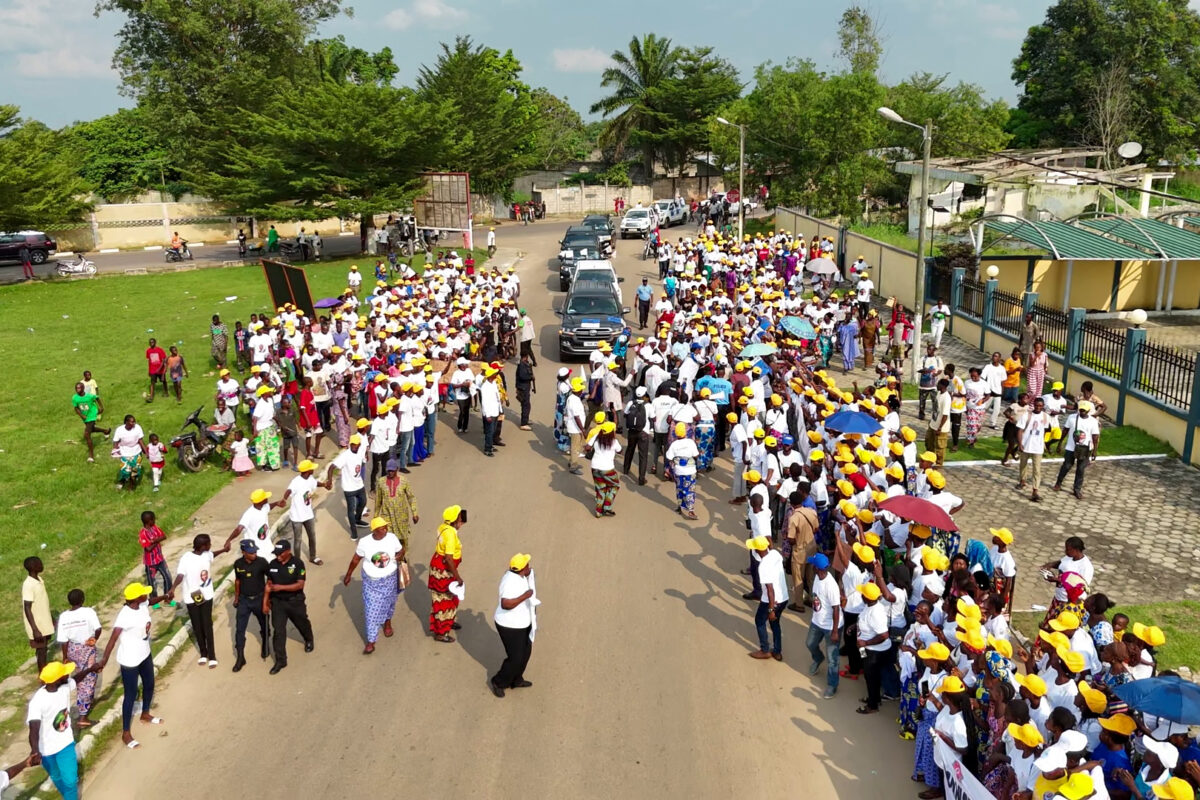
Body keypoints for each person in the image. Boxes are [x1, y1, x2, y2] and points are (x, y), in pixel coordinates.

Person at [96, 582, 169, 749]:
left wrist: (165, 596)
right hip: (130, 660)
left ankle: (145, 714)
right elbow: (113, 639)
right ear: (136, 598)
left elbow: (151, 601)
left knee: (149, 684)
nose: (146, 595)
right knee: (131, 693)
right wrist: (104, 661)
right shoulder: (124, 616)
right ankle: (126, 732)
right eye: (143, 593)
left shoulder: (142, 604)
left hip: (144, 653)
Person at [27, 660, 96, 799]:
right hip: (46, 750)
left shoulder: (63, 687)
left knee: (70, 781)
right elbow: (33, 729)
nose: (68, 674)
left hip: (65, 744)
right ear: (57, 680)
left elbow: (76, 679)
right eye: (64, 674)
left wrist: (90, 669)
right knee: (56, 777)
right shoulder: (38, 701)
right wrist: (35, 750)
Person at [343, 518, 404, 655]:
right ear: (375, 531)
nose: (386, 530)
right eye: (382, 528)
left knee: (389, 603)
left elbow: (401, 550)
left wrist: (400, 556)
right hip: (372, 583)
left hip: (389, 579)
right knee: (371, 611)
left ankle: (387, 622)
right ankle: (371, 641)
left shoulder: (392, 538)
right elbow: (355, 559)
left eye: (386, 527)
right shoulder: (365, 542)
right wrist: (348, 575)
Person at [168, 534, 229, 668]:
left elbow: (213, 554)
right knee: (197, 625)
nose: (210, 546)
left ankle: (212, 656)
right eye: (209, 544)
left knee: (207, 624)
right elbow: (180, 575)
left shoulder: (206, 554)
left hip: (206, 595)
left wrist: (224, 550)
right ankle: (203, 653)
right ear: (203, 546)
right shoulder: (186, 558)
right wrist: (173, 588)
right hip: (192, 596)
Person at [490, 553, 538, 698]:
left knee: (526, 653)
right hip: (509, 626)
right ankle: (499, 682)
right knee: (515, 658)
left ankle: (517, 680)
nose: (529, 566)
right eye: (527, 564)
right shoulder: (509, 581)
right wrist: (526, 595)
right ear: (522, 567)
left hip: (523, 623)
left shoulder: (521, 575)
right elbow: (506, 604)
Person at [265, 540, 314, 674]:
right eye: (276, 554)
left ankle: (308, 639)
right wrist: (266, 601)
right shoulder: (272, 564)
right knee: (278, 631)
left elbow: (300, 585)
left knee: (302, 623)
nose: (278, 556)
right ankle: (281, 660)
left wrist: (281, 587)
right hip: (278, 603)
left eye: (280, 553)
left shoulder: (298, 564)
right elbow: (269, 584)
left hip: (295, 602)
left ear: (288, 552)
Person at [55, 589, 101, 727]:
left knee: (77, 679)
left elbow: (63, 640)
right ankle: (83, 717)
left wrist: (65, 657)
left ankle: (76, 708)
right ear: (82, 600)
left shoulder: (63, 616)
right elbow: (98, 629)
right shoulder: (89, 612)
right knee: (88, 680)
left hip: (72, 650)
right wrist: (94, 639)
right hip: (87, 648)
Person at [230, 540, 270, 672]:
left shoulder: (262, 562)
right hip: (244, 601)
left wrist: (267, 600)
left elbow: (270, 579)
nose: (254, 554)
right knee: (239, 629)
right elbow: (238, 581)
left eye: (255, 551)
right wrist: (236, 598)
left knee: (264, 625)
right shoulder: (238, 564)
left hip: (259, 599)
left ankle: (265, 644)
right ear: (243, 552)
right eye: (251, 552)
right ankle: (240, 657)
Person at [429, 505, 466, 643]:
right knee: (442, 601)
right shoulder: (450, 535)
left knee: (451, 598)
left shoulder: (444, 527)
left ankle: (448, 622)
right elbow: (449, 558)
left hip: (441, 567)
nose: (461, 518)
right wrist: (458, 577)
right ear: (454, 519)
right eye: (459, 517)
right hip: (444, 571)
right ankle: (440, 632)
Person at [747, 535, 788, 661]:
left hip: (771, 600)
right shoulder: (775, 554)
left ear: (758, 550)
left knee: (759, 621)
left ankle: (765, 650)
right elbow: (771, 544)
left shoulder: (763, 566)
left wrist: (771, 610)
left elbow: (770, 591)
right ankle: (777, 651)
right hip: (784, 598)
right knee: (775, 623)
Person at [806, 553, 842, 698]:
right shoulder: (817, 576)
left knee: (832, 658)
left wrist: (834, 631)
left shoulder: (831, 586)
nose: (811, 566)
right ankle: (818, 658)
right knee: (810, 644)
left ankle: (832, 685)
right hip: (817, 621)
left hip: (831, 626)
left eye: (812, 564)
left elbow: (836, 608)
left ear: (817, 568)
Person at [275, 459, 323, 565]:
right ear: (307, 471)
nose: (313, 470)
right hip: (297, 516)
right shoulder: (296, 482)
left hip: (308, 514)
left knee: (312, 536)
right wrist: (284, 499)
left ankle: (313, 556)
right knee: (298, 539)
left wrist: (324, 485)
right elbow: (289, 490)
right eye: (312, 469)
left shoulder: (310, 478)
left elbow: (316, 483)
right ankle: (297, 561)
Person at [324, 433, 368, 540]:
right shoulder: (345, 456)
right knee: (351, 509)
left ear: (359, 445)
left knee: (363, 502)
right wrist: (329, 480)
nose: (354, 446)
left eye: (356, 444)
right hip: (349, 488)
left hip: (359, 484)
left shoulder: (360, 452)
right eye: (352, 444)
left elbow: (361, 463)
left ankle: (358, 520)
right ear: (350, 444)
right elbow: (331, 467)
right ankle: (354, 532)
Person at [1054, 401, 1101, 500]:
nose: (1082, 412)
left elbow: (1095, 437)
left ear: (1088, 410)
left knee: (1080, 469)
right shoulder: (1072, 418)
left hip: (1085, 448)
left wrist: (1094, 451)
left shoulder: (1093, 421)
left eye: (1084, 410)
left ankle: (1077, 489)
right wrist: (1060, 443)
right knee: (1066, 466)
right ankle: (1058, 483)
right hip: (1071, 447)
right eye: (1080, 410)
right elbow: (1065, 431)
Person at [374, 459, 419, 558]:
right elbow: (378, 501)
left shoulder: (404, 481)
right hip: (387, 516)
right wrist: (376, 518)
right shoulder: (381, 482)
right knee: (388, 538)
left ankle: (403, 560)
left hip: (401, 517)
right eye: (388, 471)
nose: (390, 473)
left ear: (397, 469)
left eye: (392, 471)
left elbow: (411, 497)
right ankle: (391, 560)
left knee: (403, 539)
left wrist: (414, 513)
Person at [1016, 395, 1051, 502]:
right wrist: (1020, 443)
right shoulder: (1026, 415)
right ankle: (1022, 480)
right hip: (1026, 445)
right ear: (1033, 405)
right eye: (1036, 405)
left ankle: (1035, 490)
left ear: (1043, 406)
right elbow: (1020, 430)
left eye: (1040, 406)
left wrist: (1044, 443)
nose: (1038, 407)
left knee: (1037, 470)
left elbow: (1046, 430)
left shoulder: (1046, 417)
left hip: (1038, 447)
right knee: (1023, 465)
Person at [22, 556, 53, 671]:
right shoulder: (28, 585)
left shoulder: (39, 580)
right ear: (33, 567)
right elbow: (27, 607)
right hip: (37, 625)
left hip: (44, 622)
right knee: (41, 651)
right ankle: (43, 676)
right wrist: (34, 629)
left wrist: (51, 618)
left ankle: (44, 671)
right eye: (39, 563)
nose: (42, 565)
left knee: (43, 649)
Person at [665, 422, 700, 520]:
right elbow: (696, 455)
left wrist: (674, 464)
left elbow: (669, 457)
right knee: (690, 490)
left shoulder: (674, 444)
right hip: (690, 471)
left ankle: (679, 507)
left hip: (679, 470)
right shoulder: (690, 442)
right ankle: (690, 510)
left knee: (679, 488)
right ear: (685, 432)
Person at [587, 420, 622, 518]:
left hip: (595, 467)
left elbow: (587, 447)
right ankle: (607, 507)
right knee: (615, 486)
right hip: (608, 469)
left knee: (600, 488)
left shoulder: (596, 438)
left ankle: (598, 511)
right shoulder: (614, 442)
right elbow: (620, 451)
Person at [71, 381, 109, 463]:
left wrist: (101, 408)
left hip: (92, 414)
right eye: (76, 388)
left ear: (83, 388)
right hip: (85, 416)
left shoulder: (89, 396)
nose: (77, 389)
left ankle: (91, 455)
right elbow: (76, 408)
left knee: (87, 434)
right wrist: (81, 415)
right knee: (91, 429)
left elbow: (97, 398)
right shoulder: (74, 398)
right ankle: (105, 431)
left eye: (79, 388)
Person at [622, 387, 651, 485]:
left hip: (632, 431)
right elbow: (653, 418)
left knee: (630, 449)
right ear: (644, 395)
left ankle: (626, 470)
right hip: (643, 433)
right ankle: (641, 479)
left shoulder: (630, 403)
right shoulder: (648, 406)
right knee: (643, 456)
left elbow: (625, 415)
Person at [112, 414, 148, 490]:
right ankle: (122, 480)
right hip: (125, 453)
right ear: (126, 422)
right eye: (131, 422)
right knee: (125, 470)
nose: (133, 423)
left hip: (136, 452)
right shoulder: (119, 430)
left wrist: (146, 452)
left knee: (135, 471)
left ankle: (131, 486)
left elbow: (140, 440)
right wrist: (116, 452)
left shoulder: (137, 428)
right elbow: (116, 441)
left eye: (134, 422)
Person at [924, 379, 952, 466]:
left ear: (943, 386)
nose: (937, 385)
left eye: (938, 384)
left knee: (940, 447)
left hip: (941, 428)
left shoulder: (947, 398)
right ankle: (930, 459)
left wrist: (939, 428)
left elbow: (945, 415)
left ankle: (939, 464)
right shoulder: (939, 393)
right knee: (928, 442)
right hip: (933, 424)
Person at [564, 376, 587, 475]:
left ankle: (572, 462)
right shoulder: (574, 401)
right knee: (575, 447)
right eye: (581, 389)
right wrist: (583, 430)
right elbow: (577, 417)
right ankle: (573, 466)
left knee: (576, 446)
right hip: (575, 428)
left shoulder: (572, 397)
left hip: (575, 427)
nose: (582, 390)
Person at [480, 365, 503, 457]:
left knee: (493, 430)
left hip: (495, 411)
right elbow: (484, 402)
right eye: (494, 374)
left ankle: (491, 445)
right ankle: (487, 448)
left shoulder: (493, 383)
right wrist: (487, 415)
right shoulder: (485, 387)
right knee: (489, 431)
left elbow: (497, 397)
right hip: (490, 412)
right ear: (490, 376)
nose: (496, 375)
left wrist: (500, 409)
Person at [515, 351, 535, 430]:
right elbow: (523, 376)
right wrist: (531, 377)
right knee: (525, 405)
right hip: (523, 388)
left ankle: (525, 420)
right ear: (525, 356)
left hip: (525, 387)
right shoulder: (522, 366)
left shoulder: (525, 364)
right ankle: (524, 423)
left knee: (526, 405)